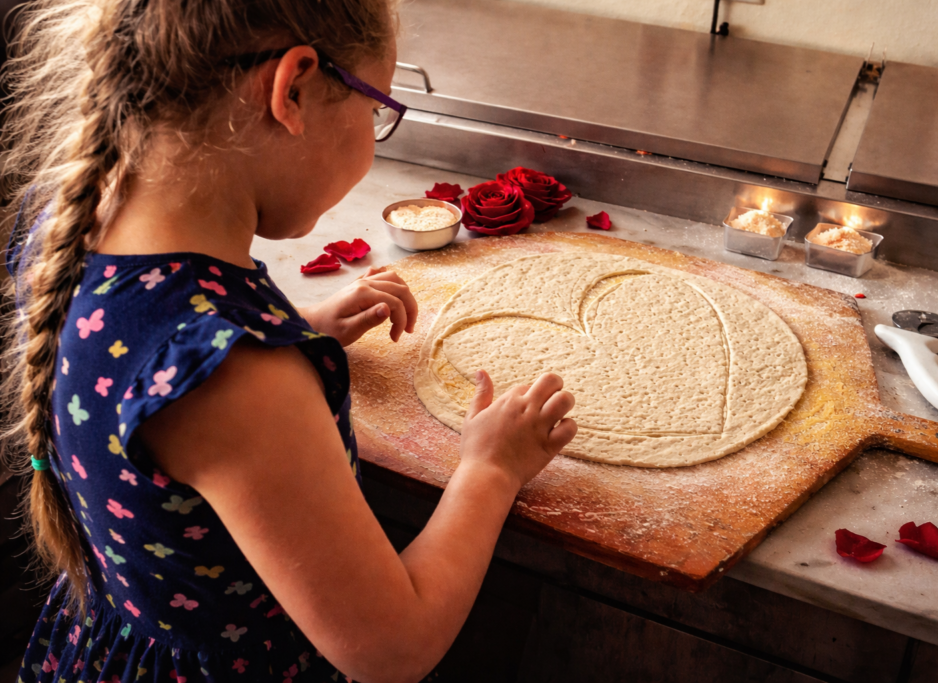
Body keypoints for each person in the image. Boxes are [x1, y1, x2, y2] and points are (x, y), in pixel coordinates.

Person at [0, 1, 577, 681]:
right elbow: (395, 644)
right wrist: (491, 466)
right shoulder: (237, 380)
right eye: (376, 109)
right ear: (293, 88)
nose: (372, 135)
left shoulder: (68, 214)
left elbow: (140, 345)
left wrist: (296, 323)